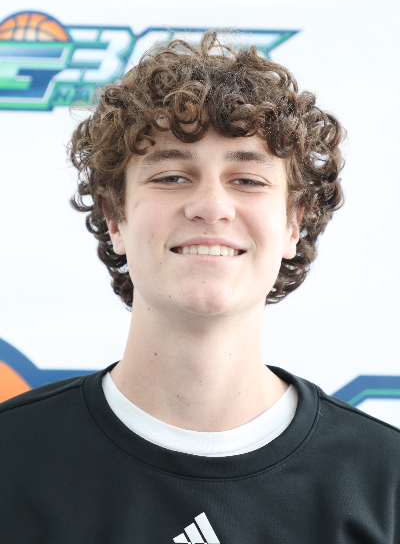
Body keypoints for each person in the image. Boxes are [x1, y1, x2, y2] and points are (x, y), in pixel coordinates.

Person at [1, 31, 399, 544]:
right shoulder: (11, 459)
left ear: (293, 225)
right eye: (171, 177)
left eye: (247, 180)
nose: (211, 206)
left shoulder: (385, 484)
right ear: (115, 218)